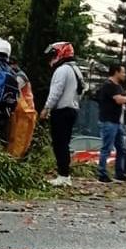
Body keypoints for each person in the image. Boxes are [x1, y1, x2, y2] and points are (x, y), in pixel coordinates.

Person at [39, 41, 83, 186]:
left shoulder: (62, 70)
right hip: (73, 110)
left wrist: (46, 108)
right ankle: (65, 175)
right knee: (65, 143)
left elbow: (55, 92)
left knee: (59, 144)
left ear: (60, 54)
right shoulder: (76, 70)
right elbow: (82, 90)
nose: (51, 60)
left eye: (53, 55)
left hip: (62, 111)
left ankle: (63, 176)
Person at [96, 63, 126, 183]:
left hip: (117, 122)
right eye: (123, 72)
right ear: (116, 72)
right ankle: (102, 174)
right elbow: (118, 100)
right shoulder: (109, 85)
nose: (125, 75)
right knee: (107, 148)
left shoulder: (118, 87)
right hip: (108, 121)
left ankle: (119, 173)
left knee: (122, 148)